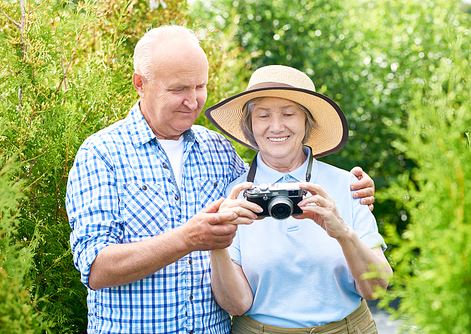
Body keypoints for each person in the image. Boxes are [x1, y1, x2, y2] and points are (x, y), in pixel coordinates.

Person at [66, 26, 376, 333]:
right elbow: (96, 269)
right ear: (140, 84)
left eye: (199, 86)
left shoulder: (218, 150)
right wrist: (187, 238)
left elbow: (279, 170)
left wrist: (356, 187)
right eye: (178, 90)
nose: (193, 101)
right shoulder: (101, 154)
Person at [205, 65, 393, 334]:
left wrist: (343, 233)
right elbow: (237, 304)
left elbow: (376, 288)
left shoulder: (347, 185)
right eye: (263, 115)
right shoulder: (234, 194)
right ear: (250, 124)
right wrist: (218, 241)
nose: (276, 126)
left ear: (307, 122)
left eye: (289, 113)